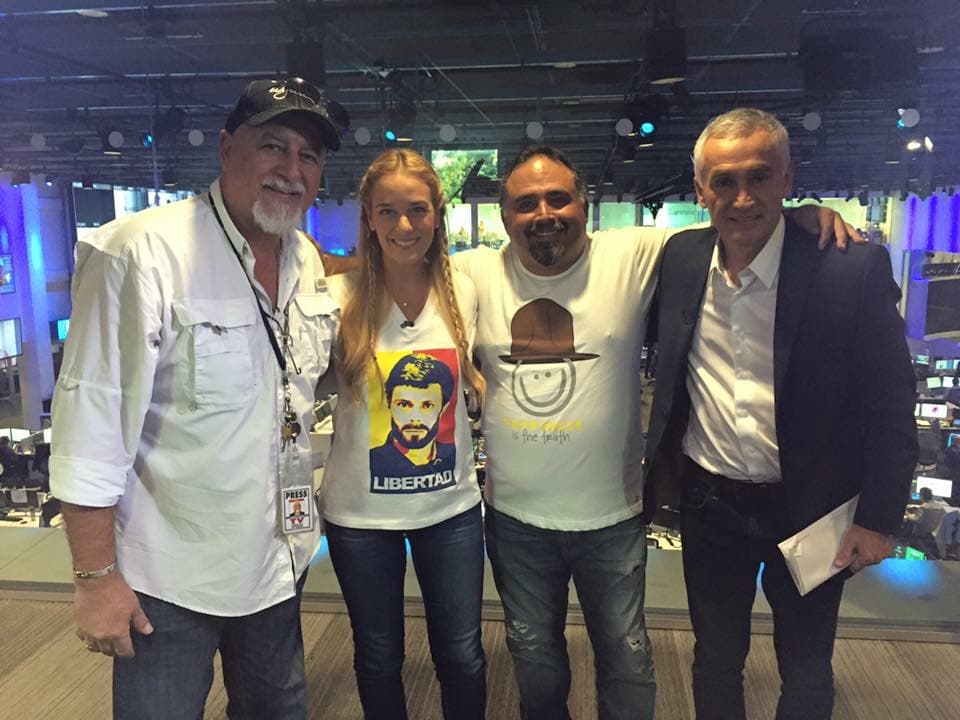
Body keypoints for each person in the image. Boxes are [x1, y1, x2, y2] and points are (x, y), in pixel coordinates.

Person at [451, 143, 858, 720]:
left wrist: (801, 215)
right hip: (515, 519)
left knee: (628, 663)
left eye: (559, 198)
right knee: (535, 664)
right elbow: (392, 258)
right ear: (502, 214)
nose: (544, 212)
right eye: (525, 202)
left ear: (584, 203)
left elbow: (734, 215)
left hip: (613, 516)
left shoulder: (638, 252)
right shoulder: (472, 271)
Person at [49, 77, 347, 719]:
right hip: (168, 581)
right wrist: (95, 578)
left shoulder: (307, 260)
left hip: (275, 563)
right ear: (225, 148)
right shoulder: (141, 252)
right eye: (274, 146)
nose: (290, 170)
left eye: (309, 156)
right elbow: (90, 424)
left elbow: (295, 381)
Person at [643, 108, 918, 720]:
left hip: (812, 508)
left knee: (806, 663)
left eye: (760, 177)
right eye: (724, 181)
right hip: (711, 504)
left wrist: (877, 519)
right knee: (714, 657)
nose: (742, 197)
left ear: (788, 177)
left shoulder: (849, 269)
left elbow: (891, 406)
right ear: (700, 191)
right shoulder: (680, 260)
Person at [321, 148, 487, 720]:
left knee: (463, 657)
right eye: (387, 212)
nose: (404, 226)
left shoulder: (466, 289)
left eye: (417, 209)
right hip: (359, 521)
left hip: (452, 513)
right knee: (378, 657)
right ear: (367, 217)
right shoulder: (337, 300)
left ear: (437, 214)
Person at [369, 351, 457, 476]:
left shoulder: (454, 457)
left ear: (443, 408)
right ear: (389, 403)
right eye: (404, 404)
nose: (415, 419)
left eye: (427, 405)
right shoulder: (371, 462)